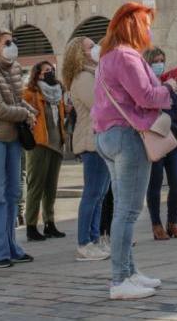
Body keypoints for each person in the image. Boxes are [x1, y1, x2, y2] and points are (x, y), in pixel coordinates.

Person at [91, 2, 170, 300]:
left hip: (107, 135)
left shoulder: (108, 56)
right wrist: (169, 90)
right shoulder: (126, 56)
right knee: (128, 210)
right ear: (134, 25)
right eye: (146, 23)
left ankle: (129, 272)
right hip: (127, 136)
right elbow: (146, 96)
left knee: (123, 207)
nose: (149, 29)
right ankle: (120, 279)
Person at [0, 28, 37, 270]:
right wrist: (24, 113)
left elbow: (15, 99)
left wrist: (29, 110)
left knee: (14, 193)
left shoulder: (13, 68)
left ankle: (12, 246)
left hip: (13, 137)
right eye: (7, 42)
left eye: (13, 41)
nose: (13, 46)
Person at [63, 36, 111, 261]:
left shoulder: (95, 73)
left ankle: (94, 237)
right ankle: (84, 242)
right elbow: (99, 104)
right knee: (92, 193)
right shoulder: (83, 77)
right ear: (80, 54)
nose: (96, 49)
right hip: (90, 139)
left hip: (100, 138)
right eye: (91, 47)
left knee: (100, 194)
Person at [144, 48, 177, 241]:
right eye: (155, 61)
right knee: (155, 185)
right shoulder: (145, 85)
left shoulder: (170, 84)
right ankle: (156, 224)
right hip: (156, 141)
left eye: (162, 60)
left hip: (174, 141)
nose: (159, 64)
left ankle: (172, 221)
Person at [23, 60, 67, 242]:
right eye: (46, 71)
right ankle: (31, 225)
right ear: (38, 74)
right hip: (39, 144)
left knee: (51, 187)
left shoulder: (58, 93)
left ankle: (50, 223)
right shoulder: (30, 93)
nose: (50, 73)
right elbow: (24, 114)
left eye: (52, 70)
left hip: (57, 144)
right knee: (36, 186)